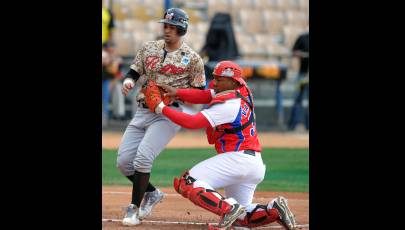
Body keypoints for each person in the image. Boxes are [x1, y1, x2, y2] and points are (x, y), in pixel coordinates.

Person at [144, 60, 297, 229]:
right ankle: (274, 209)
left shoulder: (228, 105)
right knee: (242, 218)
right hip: (253, 164)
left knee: (187, 181)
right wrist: (178, 93)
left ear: (232, 81)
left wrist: (160, 108)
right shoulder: (242, 91)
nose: (214, 83)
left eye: (219, 80)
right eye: (214, 78)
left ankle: (229, 208)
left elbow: (193, 122)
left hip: (237, 160)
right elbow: (206, 94)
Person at [116, 8, 206, 226]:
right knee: (124, 162)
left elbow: (200, 92)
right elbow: (134, 71)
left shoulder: (193, 59)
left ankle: (133, 209)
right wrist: (128, 82)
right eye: (166, 26)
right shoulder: (149, 48)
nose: (168, 30)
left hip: (169, 114)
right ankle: (153, 194)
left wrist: (176, 94)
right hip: (143, 110)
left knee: (143, 158)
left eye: (173, 27)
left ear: (182, 29)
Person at [288, 31, 309, 131]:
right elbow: (294, 51)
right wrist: (301, 54)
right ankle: (293, 124)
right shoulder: (302, 37)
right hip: (302, 74)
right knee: (297, 99)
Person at [102, 41, 123, 126]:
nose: (110, 49)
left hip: (111, 82)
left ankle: (117, 115)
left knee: (118, 88)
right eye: (108, 48)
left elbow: (118, 75)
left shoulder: (117, 60)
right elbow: (105, 61)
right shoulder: (104, 56)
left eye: (112, 47)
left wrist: (112, 84)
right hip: (105, 81)